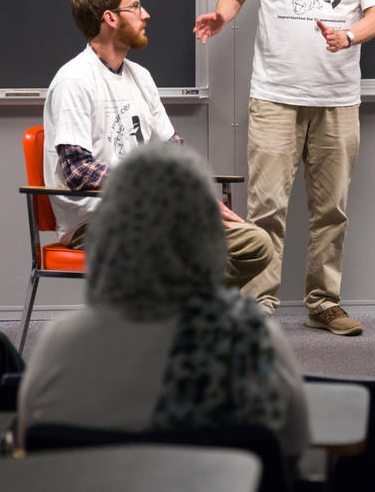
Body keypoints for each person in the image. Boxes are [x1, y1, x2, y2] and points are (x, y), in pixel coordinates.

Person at [194, 0, 375, 336]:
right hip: (274, 96)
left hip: (337, 98)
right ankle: (257, 304)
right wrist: (223, 14)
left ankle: (323, 303)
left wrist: (348, 36)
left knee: (332, 210)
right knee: (265, 208)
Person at [17, 143, 310, 458]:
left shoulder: (61, 344)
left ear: (108, 236)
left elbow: (31, 448)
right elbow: (294, 446)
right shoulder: (251, 337)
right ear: (208, 238)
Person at [45, 0, 272, 290]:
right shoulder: (75, 80)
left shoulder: (140, 76)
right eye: (135, 6)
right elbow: (78, 171)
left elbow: (172, 147)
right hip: (97, 220)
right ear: (110, 18)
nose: (146, 14)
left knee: (254, 243)